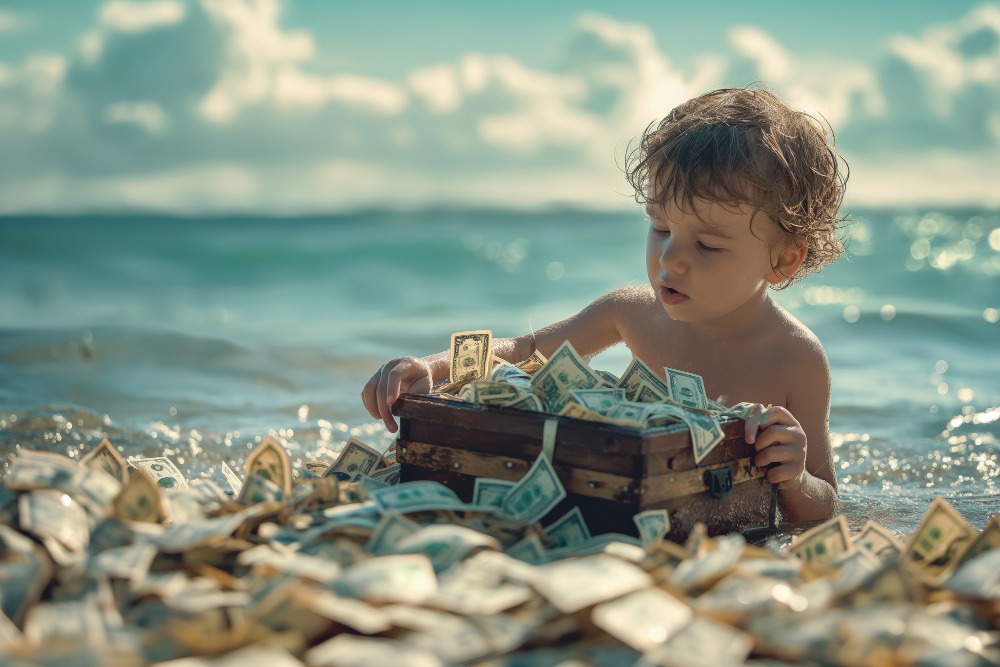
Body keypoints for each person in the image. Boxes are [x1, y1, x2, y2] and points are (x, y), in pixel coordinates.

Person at [361, 86, 848, 523]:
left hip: (727, 528)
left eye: (709, 246)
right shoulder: (631, 313)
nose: (670, 259)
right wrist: (429, 366)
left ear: (783, 260)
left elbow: (825, 506)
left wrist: (797, 478)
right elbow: (526, 350)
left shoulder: (795, 359)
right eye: (660, 228)